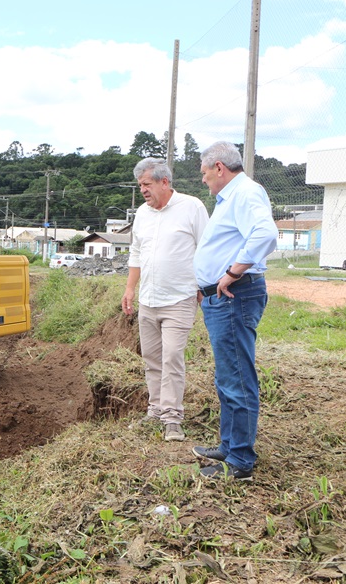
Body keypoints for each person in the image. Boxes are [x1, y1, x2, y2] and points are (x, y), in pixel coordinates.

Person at [193, 141, 278, 481]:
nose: (203, 181)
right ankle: (229, 445)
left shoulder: (244, 192)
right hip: (221, 296)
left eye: (204, 173)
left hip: (234, 294)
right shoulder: (231, 197)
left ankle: (240, 461)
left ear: (218, 167)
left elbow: (265, 234)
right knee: (227, 376)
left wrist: (230, 274)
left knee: (238, 378)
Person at [123, 158, 208, 442]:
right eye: (140, 185)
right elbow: (136, 253)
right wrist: (130, 289)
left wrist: (202, 287)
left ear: (164, 182)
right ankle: (155, 409)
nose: (143, 190)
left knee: (172, 357)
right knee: (152, 358)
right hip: (148, 298)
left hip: (180, 297)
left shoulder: (191, 207)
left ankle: (173, 417)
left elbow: (206, 248)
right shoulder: (142, 214)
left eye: (146, 184)